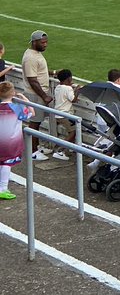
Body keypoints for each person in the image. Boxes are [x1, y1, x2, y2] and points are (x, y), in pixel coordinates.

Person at [0, 82, 35, 200]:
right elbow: (32, 113)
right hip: (11, 141)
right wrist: (24, 99)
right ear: (13, 92)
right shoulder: (16, 108)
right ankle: (3, 188)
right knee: (6, 164)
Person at [22, 30, 52, 161]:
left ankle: (36, 146)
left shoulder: (35, 54)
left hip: (38, 93)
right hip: (35, 95)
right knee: (34, 123)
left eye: (46, 42)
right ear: (34, 42)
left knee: (37, 122)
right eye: (43, 42)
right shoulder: (31, 58)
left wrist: (54, 72)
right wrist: (44, 96)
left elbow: (39, 72)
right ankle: (32, 151)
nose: (45, 45)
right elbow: (32, 80)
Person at [50, 69, 79, 161]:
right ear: (69, 78)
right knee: (73, 133)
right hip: (66, 115)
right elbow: (73, 99)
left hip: (58, 114)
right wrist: (77, 90)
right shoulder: (68, 88)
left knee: (72, 131)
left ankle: (69, 147)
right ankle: (60, 150)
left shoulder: (58, 87)